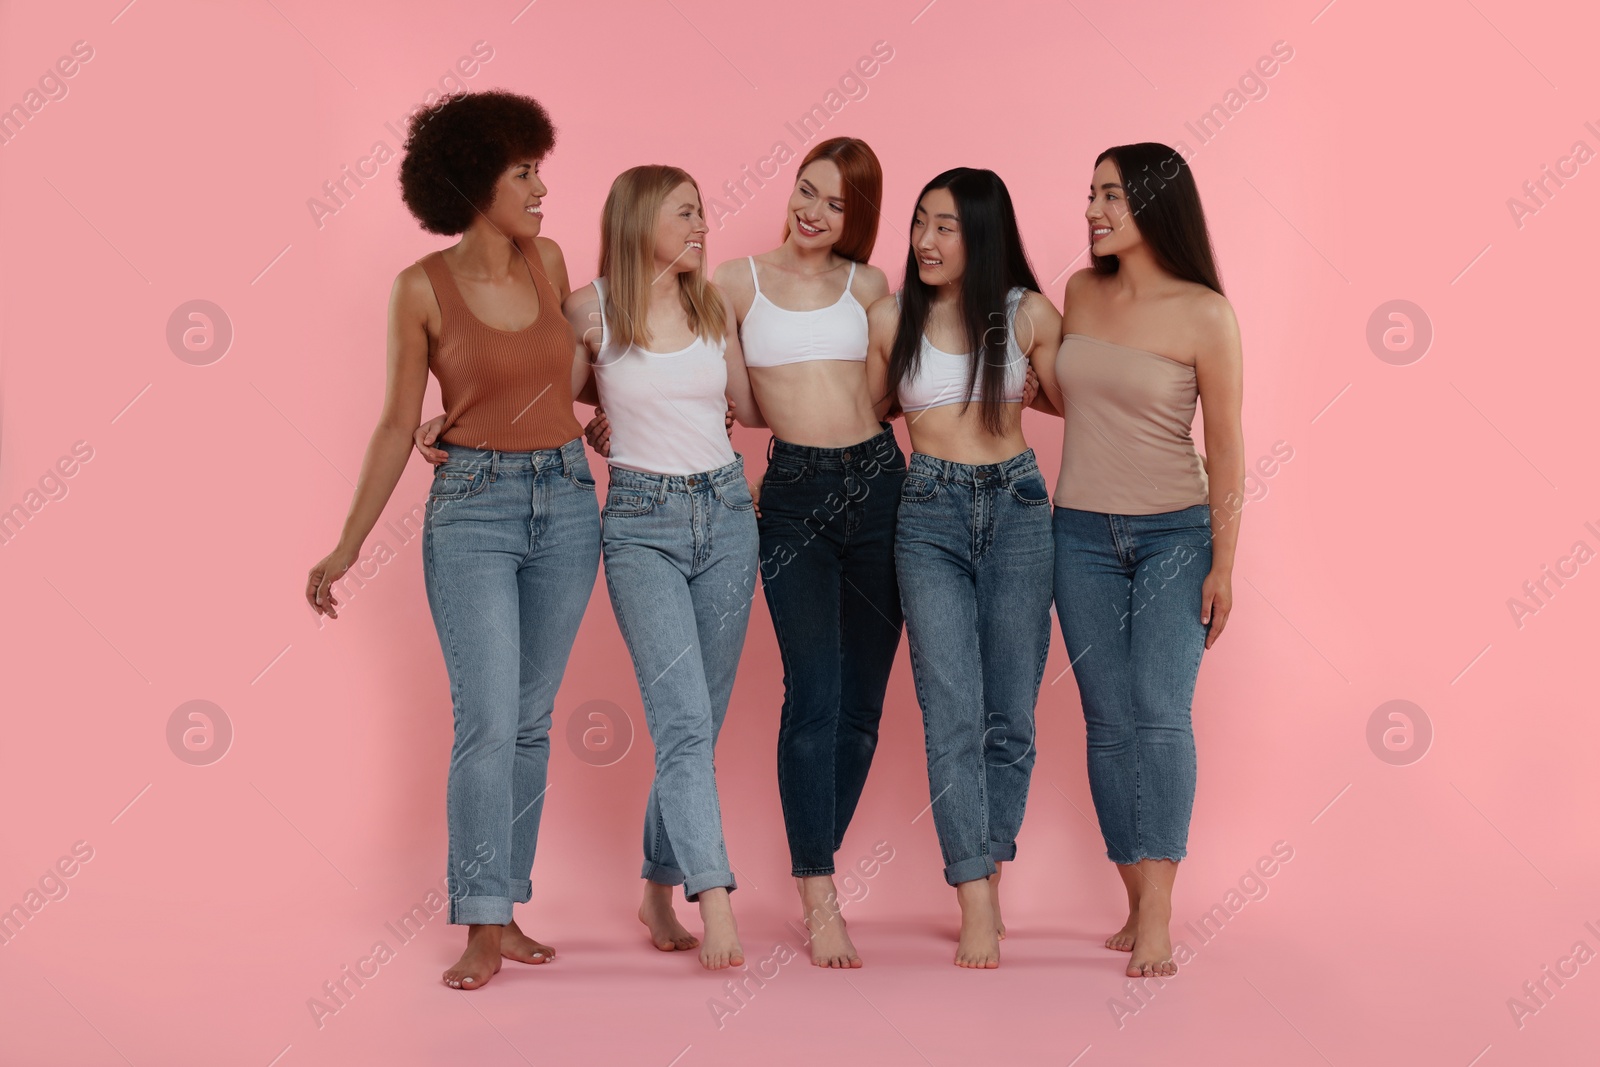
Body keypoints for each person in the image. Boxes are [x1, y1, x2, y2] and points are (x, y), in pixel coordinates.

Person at [304, 91, 599, 991]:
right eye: (524, 173)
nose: (542, 187)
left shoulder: (548, 262)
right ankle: (479, 919)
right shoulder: (419, 289)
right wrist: (346, 543)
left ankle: (506, 905)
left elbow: (580, 376)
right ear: (476, 182)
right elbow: (397, 425)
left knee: (534, 721)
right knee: (488, 719)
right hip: (472, 507)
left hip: (568, 501)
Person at [1042, 143, 1245, 979]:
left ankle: (1158, 912)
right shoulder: (1079, 292)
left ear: (1154, 205)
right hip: (1079, 533)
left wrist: (1223, 564)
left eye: (1110, 196)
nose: (1091, 209)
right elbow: (1067, 396)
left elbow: (1227, 450)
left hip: (1174, 535)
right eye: (1089, 193)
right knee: (1106, 721)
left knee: (1159, 712)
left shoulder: (1206, 313)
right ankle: (1136, 894)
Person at [867, 167, 1062, 968]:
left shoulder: (1027, 314)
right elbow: (857, 412)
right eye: (919, 222)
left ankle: (992, 860)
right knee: (951, 710)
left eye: (945, 225)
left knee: (1010, 713)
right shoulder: (891, 316)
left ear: (982, 235)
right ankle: (975, 894)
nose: (924, 240)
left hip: (1017, 507)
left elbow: (1084, 397)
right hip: (928, 513)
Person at [572, 165, 763, 970]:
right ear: (641, 217)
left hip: (726, 518)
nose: (701, 224)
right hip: (641, 525)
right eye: (686, 211)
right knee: (683, 723)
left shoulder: (712, 304)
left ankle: (656, 883)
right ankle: (714, 900)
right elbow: (554, 402)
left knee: (701, 723)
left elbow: (752, 408)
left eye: (702, 211)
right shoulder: (590, 310)